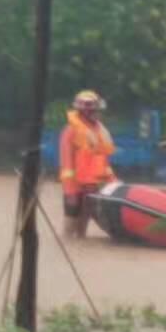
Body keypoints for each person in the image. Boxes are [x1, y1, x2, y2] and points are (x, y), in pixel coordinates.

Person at [59, 90, 117, 239]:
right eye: (92, 110)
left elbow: (104, 160)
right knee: (71, 215)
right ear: (82, 111)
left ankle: (80, 242)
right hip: (75, 183)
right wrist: (70, 190)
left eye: (97, 110)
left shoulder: (99, 131)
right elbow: (66, 163)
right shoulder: (71, 130)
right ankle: (68, 242)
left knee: (84, 222)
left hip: (92, 183)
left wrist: (113, 182)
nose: (96, 113)